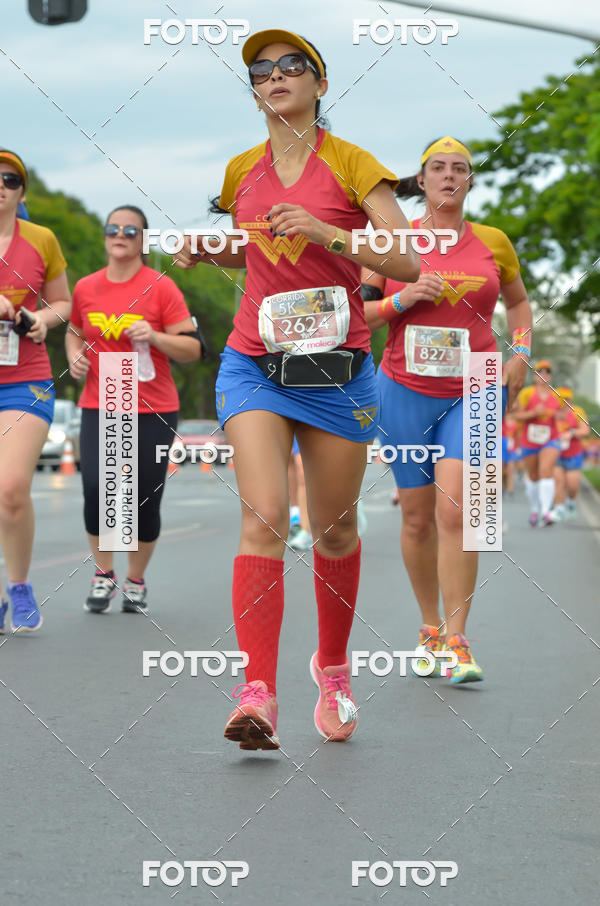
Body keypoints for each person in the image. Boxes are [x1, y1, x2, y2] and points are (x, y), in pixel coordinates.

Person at [176, 29, 419, 749]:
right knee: (267, 516)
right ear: (253, 92)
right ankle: (256, 692)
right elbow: (253, 246)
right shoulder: (240, 171)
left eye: (291, 67)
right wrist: (206, 246)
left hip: (335, 373)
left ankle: (335, 668)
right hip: (254, 361)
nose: (275, 77)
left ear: (319, 83)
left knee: (336, 529)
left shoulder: (351, 164)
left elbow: (403, 258)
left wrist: (327, 231)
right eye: (260, 71)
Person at [362, 136, 532, 684]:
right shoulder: (393, 242)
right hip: (404, 388)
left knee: (461, 511)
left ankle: (458, 639)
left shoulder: (494, 242)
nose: (450, 176)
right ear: (423, 179)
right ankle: (429, 627)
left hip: (477, 384)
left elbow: (520, 303)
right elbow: (354, 315)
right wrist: (401, 300)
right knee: (416, 518)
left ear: (470, 181)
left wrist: (521, 352)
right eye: (439, 168)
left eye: (460, 168)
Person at [66, 205, 201, 614]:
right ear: (105, 237)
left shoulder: (160, 287)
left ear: (143, 240)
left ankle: (136, 580)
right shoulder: (87, 287)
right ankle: (103, 575)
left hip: (153, 404)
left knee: (142, 498)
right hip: (102, 397)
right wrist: (74, 356)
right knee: (98, 492)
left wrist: (157, 336)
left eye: (130, 229)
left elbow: (193, 349)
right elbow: (74, 331)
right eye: (113, 229)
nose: (119, 234)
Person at [0, 149, 71, 632]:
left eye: (10, 179)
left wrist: (37, 319)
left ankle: (19, 585)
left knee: (10, 488)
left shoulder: (41, 239)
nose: (0, 184)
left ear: (21, 193)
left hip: (24, 375)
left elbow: (63, 302)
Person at [512, 361, 562, 527]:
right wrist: (534, 412)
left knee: (546, 471)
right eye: (540, 371)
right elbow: (516, 416)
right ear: (534, 376)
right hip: (530, 439)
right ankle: (535, 509)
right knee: (533, 476)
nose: (544, 375)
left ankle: (546, 512)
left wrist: (559, 418)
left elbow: (564, 416)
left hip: (551, 439)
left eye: (548, 372)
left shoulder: (557, 395)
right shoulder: (526, 393)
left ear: (551, 376)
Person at [551, 386, 590, 521]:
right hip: (556, 453)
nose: (564, 402)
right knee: (558, 482)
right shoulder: (553, 412)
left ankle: (571, 502)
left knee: (572, 485)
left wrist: (571, 433)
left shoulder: (577, 411)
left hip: (573, 454)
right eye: (561, 399)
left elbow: (585, 431)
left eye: (566, 399)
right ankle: (559, 510)